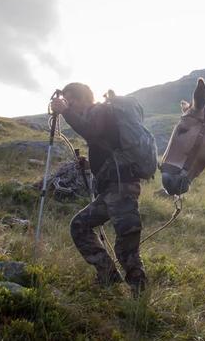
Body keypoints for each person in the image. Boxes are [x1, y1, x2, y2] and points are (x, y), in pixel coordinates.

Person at [50, 82, 146, 295]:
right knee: (79, 226)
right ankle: (109, 276)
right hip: (113, 190)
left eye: (71, 101)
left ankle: (141, 301)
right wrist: (92, 165)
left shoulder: (100, 110)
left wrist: (65, 111)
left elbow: (91, 132)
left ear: (82, 98)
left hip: (121, 189)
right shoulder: (99, 114)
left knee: (127, 249)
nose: (70, 106)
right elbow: (102, 143)